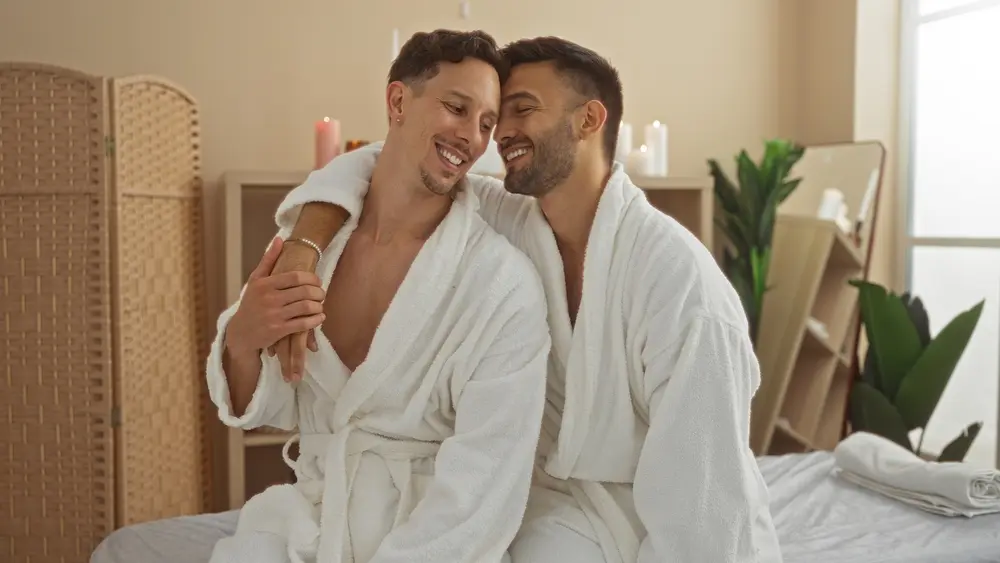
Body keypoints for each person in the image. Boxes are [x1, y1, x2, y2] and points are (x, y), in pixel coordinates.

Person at [272, 37, 783, 563]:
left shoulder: (681, 286)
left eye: (522, 110)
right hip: (550, 507)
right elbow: (389, 163)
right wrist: (304, 245)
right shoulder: (516, 219)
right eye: (498, 120)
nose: (499, 135)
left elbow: (703, 499)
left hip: (663, 526)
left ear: (589, 119)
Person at [205, 29, 552, 563]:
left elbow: (486, 487)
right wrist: (243, 342)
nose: (472, 138)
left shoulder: (501, 286)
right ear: (397, 102)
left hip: (432, 540)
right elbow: (271, 402)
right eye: (456, 108)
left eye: (486, 123)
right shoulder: (312, 244)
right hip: (309, 520)